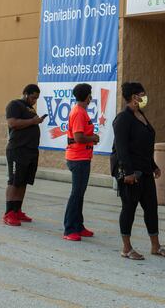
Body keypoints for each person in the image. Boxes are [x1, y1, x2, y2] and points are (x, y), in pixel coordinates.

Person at [112, 82, 165, 260]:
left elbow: (143, 145)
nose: (145, 97)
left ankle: (156, 246)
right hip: (131, 173)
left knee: (151, 208)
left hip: (145, 170)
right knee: (129, 208)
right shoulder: (123, 118)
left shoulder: (141, 115)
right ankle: (126, 248)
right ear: (133, 97)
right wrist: (128, 172)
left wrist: (153, 165)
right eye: (142, 94)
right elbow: (121, 148)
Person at [3, 84, 46, 226]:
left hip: (31, 150)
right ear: (25, 94)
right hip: (18, 149)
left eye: (36, 98)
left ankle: (17, 210)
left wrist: (36, 121)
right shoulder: (14, 105)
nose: (34, 101)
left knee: (23, 181)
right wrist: (33, 121)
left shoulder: (30, 108)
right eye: (33, 97)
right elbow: (12, 123)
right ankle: (9, 213)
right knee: (14, 181)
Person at [63, 83, 99, 241]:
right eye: (90, 94)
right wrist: (94, 138)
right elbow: (78, 137)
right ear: (87, 97)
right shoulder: (78, 112)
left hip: (82, 157)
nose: (91, 97)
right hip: (78, 158)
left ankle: (79, 225)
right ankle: (69, 229)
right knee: (76, 194)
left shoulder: (81, 111)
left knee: (80, 194)